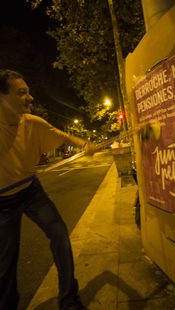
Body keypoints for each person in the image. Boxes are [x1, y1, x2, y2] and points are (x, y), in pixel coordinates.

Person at [0, 69, 96, 310]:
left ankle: (69, 299)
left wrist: (86, 144)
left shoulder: (32, 123)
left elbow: (63, 136)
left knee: (60, 234)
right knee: (6, 263)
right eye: (21, 93)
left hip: (31, 190)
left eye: (29, 92)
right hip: (2, 202)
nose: (30, 98)